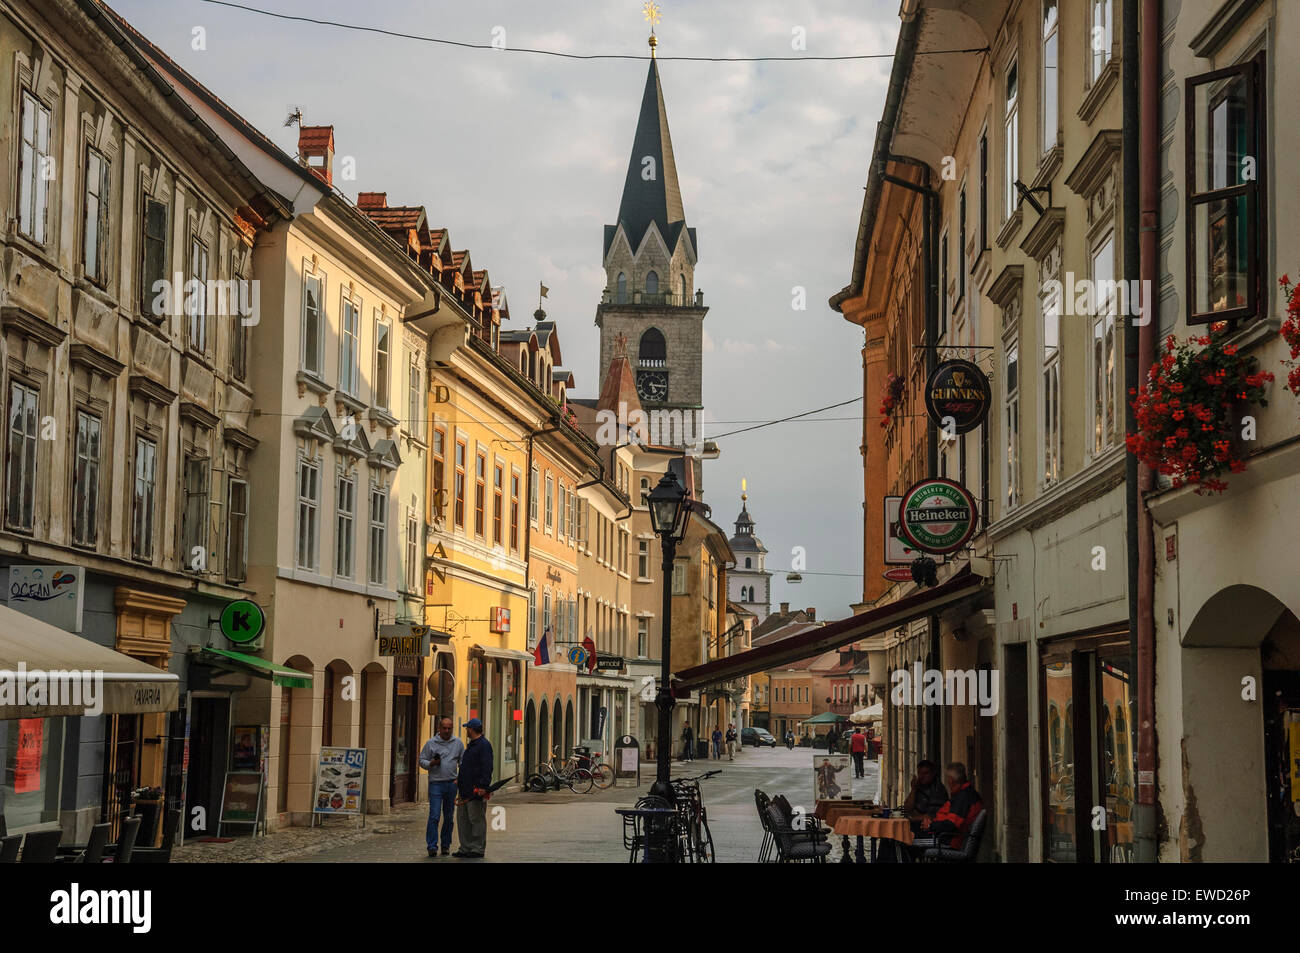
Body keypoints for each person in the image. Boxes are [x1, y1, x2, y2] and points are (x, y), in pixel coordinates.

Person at [418, 716, 465, 856]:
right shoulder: (431, 743)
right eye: (444, 728)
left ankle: (445, 844)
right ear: (439, 728)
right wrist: (431, 763)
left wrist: (459, 779)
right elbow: (421, 760)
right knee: (434, 815)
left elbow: (463, 763)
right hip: (436, 784)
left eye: (449, 728)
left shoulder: (458, 743)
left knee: (449, 817)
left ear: (452, 729)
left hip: (451, 784)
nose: (446, 730)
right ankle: (432, 846)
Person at [452, 718, 494, 859]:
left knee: (476, 819)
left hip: (476, 790)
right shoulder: (472, 745)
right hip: (465, 788)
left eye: (467, 728)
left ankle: (477, 848)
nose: (466, 730)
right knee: (463, 820)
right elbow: (467, 766)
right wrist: (460, 779)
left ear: (471, 729)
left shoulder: (484, 745)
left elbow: (487, 767)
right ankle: (465, 847)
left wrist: (483, 786)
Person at [919, 762, 983, 850]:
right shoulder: (967, 793)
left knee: (904, 839)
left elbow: (951, 825)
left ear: (951, 780)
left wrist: (931, 826)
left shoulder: (963, 797)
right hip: (947, 836)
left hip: (949, 840)